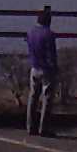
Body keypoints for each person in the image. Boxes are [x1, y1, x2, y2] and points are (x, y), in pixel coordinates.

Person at [26, 7, 58, 136]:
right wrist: (55, 67)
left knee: (33, 97)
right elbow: (52, 54)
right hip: (46, 69)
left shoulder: (31, 32)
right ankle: (43, 128)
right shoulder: (49, 34)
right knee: (47, 99)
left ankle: (30, 126)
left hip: (34, 67)